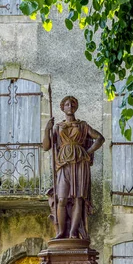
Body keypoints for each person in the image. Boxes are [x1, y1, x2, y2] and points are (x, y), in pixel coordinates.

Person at [43, 96, 105, 239]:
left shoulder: (83, 125)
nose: (70, 106)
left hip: (80, 164)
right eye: (66, 104)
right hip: (64, 165)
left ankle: (73, 233)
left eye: (72, 104)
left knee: (78, 198)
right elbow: (46, 146)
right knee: (62, 199)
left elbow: (100, 138)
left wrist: (87, 152)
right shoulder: (58, 127)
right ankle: (61, 232)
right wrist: (47, 129)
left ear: (76, 107)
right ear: (62, 107)